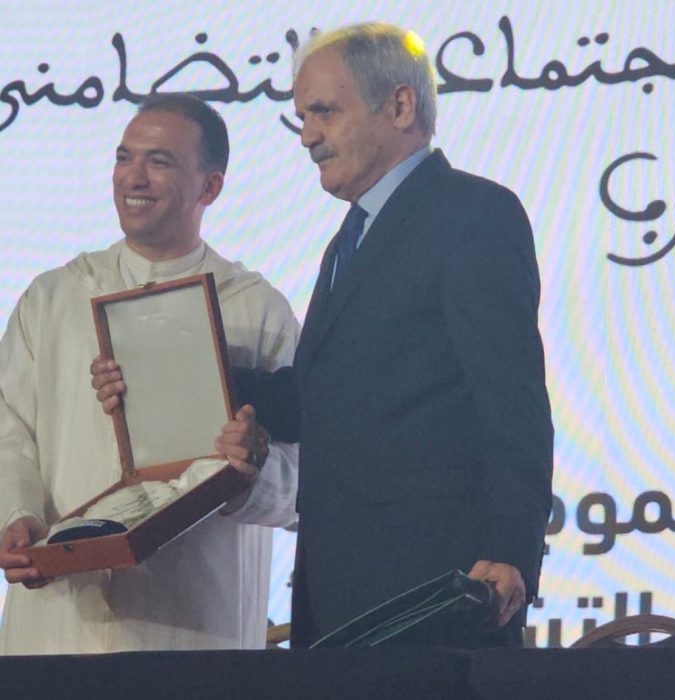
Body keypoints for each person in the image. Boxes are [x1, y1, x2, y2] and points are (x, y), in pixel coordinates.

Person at [96, 22, 553, 649]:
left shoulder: (472, 214)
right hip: (341, 593)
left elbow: (513, 402)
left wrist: (510, 552)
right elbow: (319, 398)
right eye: (302, 116)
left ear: (400, 105)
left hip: (436, 593)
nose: (307, 135)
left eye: (324, 112)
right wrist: (163, 373)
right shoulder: (351, 237)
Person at [0, 94, 299, 654]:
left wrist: (248, 470)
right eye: (124, 157)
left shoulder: (254, 309)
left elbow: (306, 480)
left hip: (192, 627)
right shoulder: (55, 298)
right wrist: (16, 516)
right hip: (59, 626)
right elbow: (8, 428)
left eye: (159, 161)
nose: (133, 177)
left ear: (211, 186)